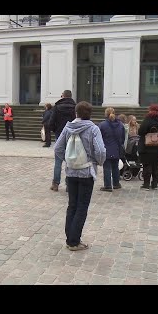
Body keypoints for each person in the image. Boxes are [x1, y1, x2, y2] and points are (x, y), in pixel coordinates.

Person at [54, 101, 106, 251]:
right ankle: (74, 241)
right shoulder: (93, 129)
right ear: (90, 113)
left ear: (76, 112)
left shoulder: (68, 127)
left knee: (72, 205)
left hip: (71, 172)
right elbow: (101, 151)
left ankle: (70, 238)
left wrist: (68, 160)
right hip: (86, 172)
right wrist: (97, 162)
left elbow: (57, 148)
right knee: (82, 207)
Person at [49, 90, 76, 192]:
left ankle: (55, 184)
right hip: (72, 137)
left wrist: (56, 131)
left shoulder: (57, 107)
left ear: (63, 96)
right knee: (70, 161)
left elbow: (51, 122)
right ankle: (69, 185)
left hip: (59, 135)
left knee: (58, 161)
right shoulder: (75, 107)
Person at [138, 104, 158, 190]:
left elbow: (141, 131)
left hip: (147, 147)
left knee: (147, 166)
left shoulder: (148, 119)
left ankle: (146, 184)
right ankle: (154, 184)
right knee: (157, 166)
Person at [98, 107, 125, 192]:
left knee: (107, 168)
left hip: (106, 148)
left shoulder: (102, 125)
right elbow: (123, 138)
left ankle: (108, 185)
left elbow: (99, 137)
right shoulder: (120, 125)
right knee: (115, 167)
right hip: (117, 148)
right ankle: (116, 183)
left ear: (105, 114)